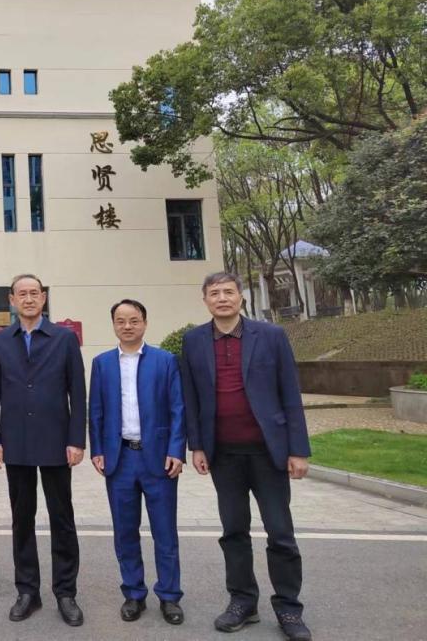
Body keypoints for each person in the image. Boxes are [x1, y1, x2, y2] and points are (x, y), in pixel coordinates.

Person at [180, 272, 312, 641]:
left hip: (268, 453)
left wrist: (298, 450)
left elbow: (290, 392)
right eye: (214, 293)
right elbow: (191, 398)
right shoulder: (193, 341)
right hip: (224, 455)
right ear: (205, 300)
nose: (222, 298)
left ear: (240, 297)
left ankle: (288, 608)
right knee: (233, 531)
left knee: (280, 532)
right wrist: (197, 445)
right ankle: (243, 601)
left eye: (228, 291)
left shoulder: (271, 336)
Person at [0, 273, 86, 626]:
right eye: (21, 294)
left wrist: (76, 439)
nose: (28, 299)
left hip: (56, 441)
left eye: (34, 293)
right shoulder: (0, 341)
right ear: (11, 300)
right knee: (22, 518)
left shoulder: (64, 338)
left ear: (43, 298)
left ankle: (66, 592)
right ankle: (27, 590)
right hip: (16, 442)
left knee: (62, 517)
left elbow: (78, 391)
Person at [88, 299, 185, 626]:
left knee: (164, 532)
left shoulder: (165, 361)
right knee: (125, 531)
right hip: (120, 459)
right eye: (120, 321)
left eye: (134, 320)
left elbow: (177, 408)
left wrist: (176, 450)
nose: (127, 326)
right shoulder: (102, 363)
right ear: (114, 325)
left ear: (144, 322)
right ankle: (133, 593)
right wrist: (98, 449)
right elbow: (96, 411)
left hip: (158, 459)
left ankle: (169, 596)